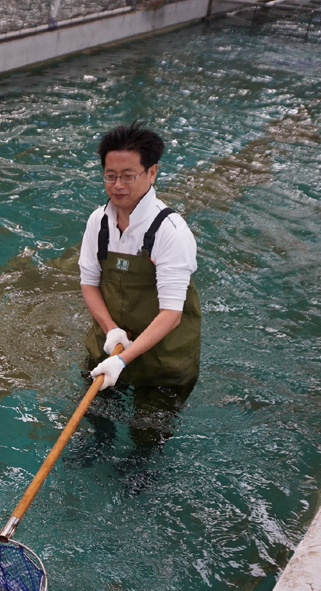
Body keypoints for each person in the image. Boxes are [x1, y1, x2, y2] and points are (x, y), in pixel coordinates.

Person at [82, 122, 201, 462]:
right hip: (111, 342)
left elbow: (172, 314)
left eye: (128, 175)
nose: (117, 185)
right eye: (110, 175)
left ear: (152, 172)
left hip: (164, 355)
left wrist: (121, 360)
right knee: (95, 413)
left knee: (146, 433)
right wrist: (111, 332)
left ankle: (141, 467)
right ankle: (98, 446)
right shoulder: (98, 222)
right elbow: (89, 282)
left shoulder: (171, 233)